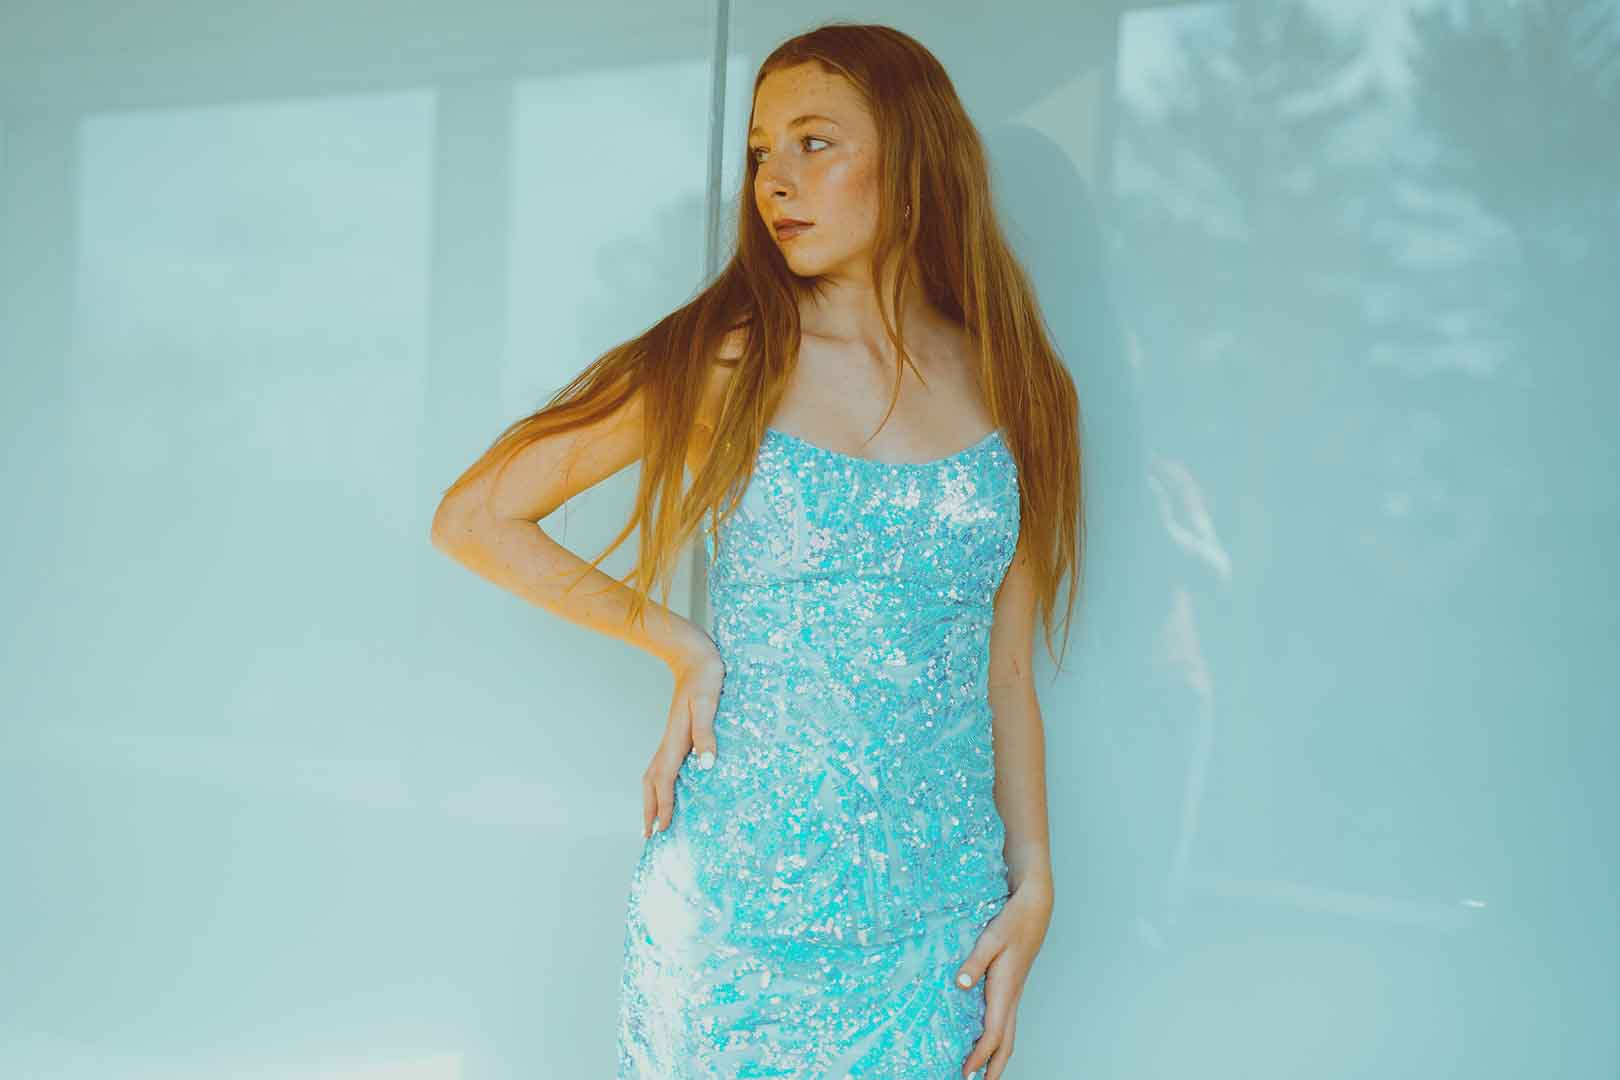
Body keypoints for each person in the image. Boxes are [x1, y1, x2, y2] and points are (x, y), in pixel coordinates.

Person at [431, 21, 1083, 1080]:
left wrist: (1036, 885)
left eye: (815, 143)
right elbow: (477, 516)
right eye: (760, 151)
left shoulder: (1018, 387)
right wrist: (681, 645)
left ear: (914, 161)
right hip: (732, 923)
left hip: (938, 929)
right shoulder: (728, 360)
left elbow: (1006, 672)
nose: (776, 179)